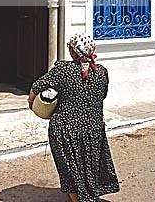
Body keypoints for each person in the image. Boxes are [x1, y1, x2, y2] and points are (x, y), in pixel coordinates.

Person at [28, 34, 120, 202]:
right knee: (89, 164)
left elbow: (37, 86)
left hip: (66, 130)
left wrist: (31, 102)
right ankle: (87, 194)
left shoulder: (63, 70)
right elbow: (102, 96)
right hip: (93, 128)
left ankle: (76, 199)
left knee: (69, 167)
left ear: (72, 52)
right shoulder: (101, 72)